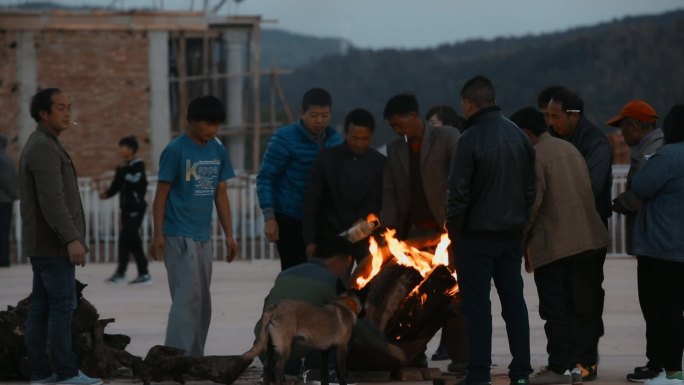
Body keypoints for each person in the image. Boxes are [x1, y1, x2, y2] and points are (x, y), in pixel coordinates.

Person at [510, 107, 610, 385]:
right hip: (588, 238)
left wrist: (519, 242)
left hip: (555, 244)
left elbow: (532, 204)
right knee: (582, 307)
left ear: (526, 133)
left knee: (555, 308)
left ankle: (559, 367)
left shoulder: (535, 156)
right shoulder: (569, 148)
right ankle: (580, 365)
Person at [446, 75, 535, 385]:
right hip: (510, 235)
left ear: (469, 104)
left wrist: (455, 238)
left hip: (476, 237)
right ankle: (521, 372)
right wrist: (520, 225)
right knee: (514, 303)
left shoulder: (468, 139)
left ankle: (479, 374)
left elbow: (457, 196)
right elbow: (530, 190)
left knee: (477, 307)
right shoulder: (519, 136)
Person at [19, 88, 102, 385]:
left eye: (70, 107)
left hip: (45, 243)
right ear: (43, 113)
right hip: (53, 245)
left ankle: (41, 373)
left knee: (43, 306)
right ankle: (65, 373)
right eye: (60, 108)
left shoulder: (47, 144)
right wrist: (71, 238)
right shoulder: (42, 147)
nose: (68, 113)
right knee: (60, 307)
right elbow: (52, 201)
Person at [149, 95, 237, 357]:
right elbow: (161, 193)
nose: (213, 130)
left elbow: (220, 193)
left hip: (203, 236)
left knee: (203, 302)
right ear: (192, 122)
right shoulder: (176, 150)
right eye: (208, 124)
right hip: (177, 234)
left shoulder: (218, 149)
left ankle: (193, 356)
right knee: (186, 299)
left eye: (217, 125)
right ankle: (175, 357)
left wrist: (229, 235)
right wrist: (158, 235)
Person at [252, 236, 406, 382]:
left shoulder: (285, 274)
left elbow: (268, 308)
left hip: (266, 352)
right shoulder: (329, 281)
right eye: (347, 264)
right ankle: (329, 373)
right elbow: (358, 325)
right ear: (340, 260)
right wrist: (388, 347)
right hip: (293, 355)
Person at [546, 89, 613, 381]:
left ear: (573, 115)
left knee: (585, 298)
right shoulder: (557, 139)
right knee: (562, 298)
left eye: (555, 116)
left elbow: (593, 187)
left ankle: (586, 360)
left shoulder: (596, 142)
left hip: (588, 232)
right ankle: (570, 359)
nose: (550, 122)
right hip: (561, 233)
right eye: (546, 116)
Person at [606, 100, 664, 383]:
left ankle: (659, 366)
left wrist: (616, 204)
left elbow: (642, 193)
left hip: (656, 242)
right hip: (653, 240)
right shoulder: (649, 149)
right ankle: (658, 363)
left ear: (637, 127)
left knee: (656, 307)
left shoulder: (653, 152)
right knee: (654, 306)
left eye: (623, 128)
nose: (621, 135)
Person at [257, 88, 343, 270]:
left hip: (323, 222)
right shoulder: (284, 138)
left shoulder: (336, 141)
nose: (319, 121)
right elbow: (266, 177)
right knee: (295, 273)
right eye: (314, 115)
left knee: (326, 275)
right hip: (290, 218)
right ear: (302, 113)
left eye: (324, 115)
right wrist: (269, 218)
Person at [630, 104, 684, 385]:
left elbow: (640, 186)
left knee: (664, 311)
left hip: (662, 247)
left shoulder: (668, 156)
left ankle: (671, 372)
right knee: (677, 310)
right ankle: (672, 370)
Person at [302, 108, 385, 262]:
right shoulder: (326, 160)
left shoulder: (379, 163)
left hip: (367, 237)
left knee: (369, 282)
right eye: (354, 138)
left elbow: (382, 200)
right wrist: (310, 240)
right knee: (333, 283)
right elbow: (312, 202)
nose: (359, 143)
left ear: (371, 136)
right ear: (346, 134)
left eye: (365, 139)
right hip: (331, 237)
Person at [381, 93, 460, 240]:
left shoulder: (447, 137)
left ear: (413, 115)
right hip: (411, 231)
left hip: (445, 227)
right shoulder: (394, 149)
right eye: (393, 127)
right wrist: (389, 229)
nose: (397, 131)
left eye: (398, 124)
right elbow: (389, 191)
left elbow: (460, 181)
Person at [100, 135, 151, 285]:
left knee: (125, 239)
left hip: (137, 209)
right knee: (134, 241)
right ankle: (144, 274)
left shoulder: (138, 164)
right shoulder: (121, 167)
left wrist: (123, 172)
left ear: (130, 149)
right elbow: (116, 185)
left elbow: (136, 181)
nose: (120, 151)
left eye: (122, 147)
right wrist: (106, 194)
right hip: (126, 210)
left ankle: (121, 273)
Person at [0, 133, 18, 267]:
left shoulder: (3, 159)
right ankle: (4, 258)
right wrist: (14, 193)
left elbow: (5, 179)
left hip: (3, 199)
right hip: (6, 199)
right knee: (5, 230)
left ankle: (3, 259)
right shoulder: (7, 158)